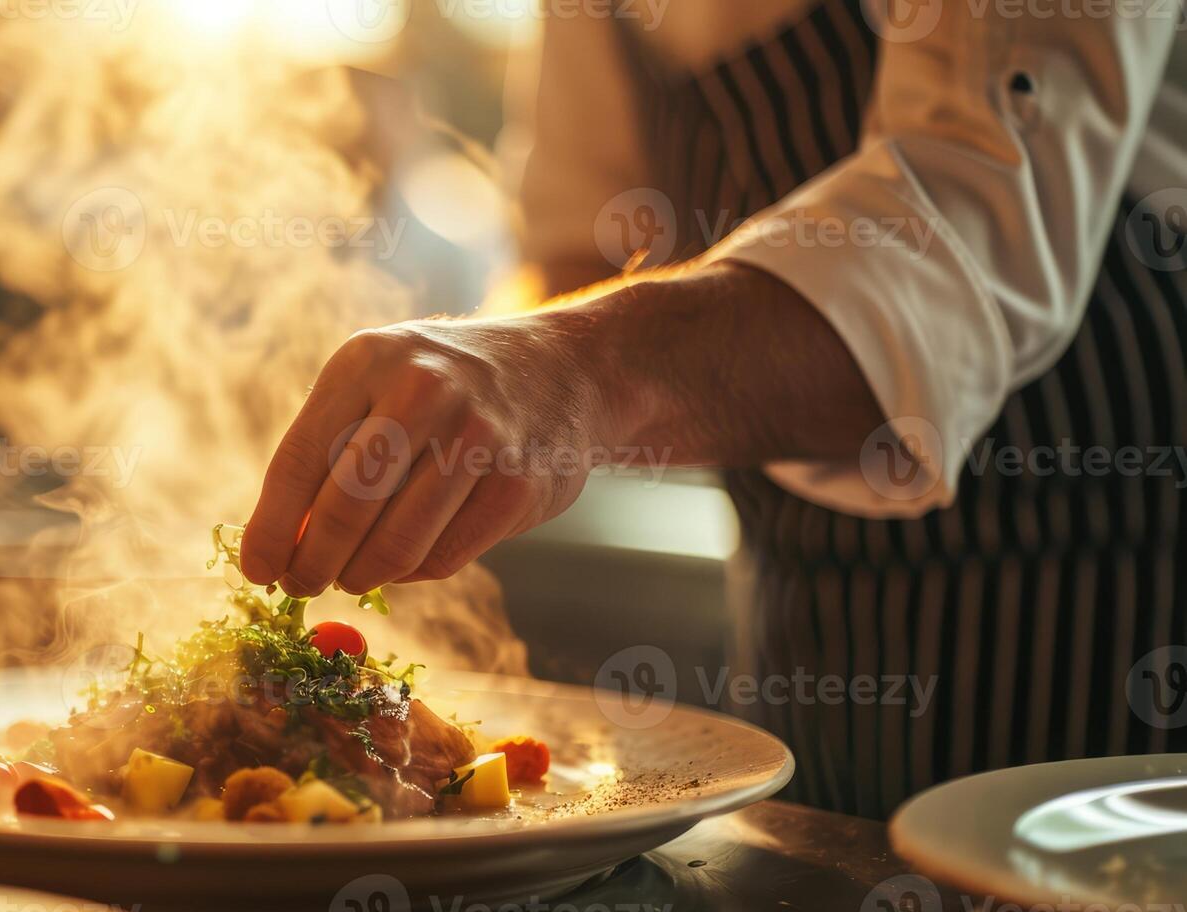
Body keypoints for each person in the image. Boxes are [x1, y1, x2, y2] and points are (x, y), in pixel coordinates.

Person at [239, 0, 1187, 818]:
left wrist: (564, 372)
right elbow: (581, 256)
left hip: (1098, 566)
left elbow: (967, 225)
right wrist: (447, 416)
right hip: (804, 601)